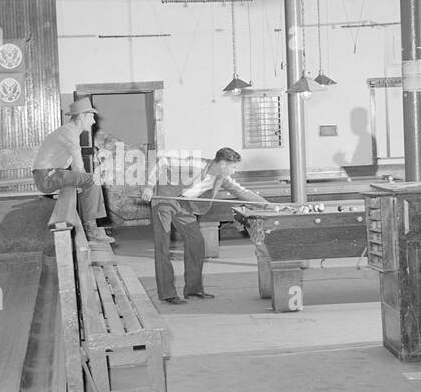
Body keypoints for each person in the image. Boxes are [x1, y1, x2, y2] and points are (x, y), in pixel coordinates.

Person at [142, 146, 264, 305]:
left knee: (196, 242)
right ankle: (167, 294)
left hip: (183, 203)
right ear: (223, 164)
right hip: (164, 199)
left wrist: (268, 206)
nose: (234, 171)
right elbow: (163, 161)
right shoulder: (196, 164)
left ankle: (193, 290)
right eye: (233, 167)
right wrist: (149, 186)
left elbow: (242, 192)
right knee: (163, 244)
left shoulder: (222, 177)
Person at [32, 99, 114, 244]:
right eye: (91, 117)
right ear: (82, 116)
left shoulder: (69, 131)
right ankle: (91, 229)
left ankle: (90, 225)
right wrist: (83, 180)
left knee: (87, 183)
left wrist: (80, 181)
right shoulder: (69, 133)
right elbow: (78, 166)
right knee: (92, 180)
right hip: (47, 177)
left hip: (52, 174)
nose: (94, 121)